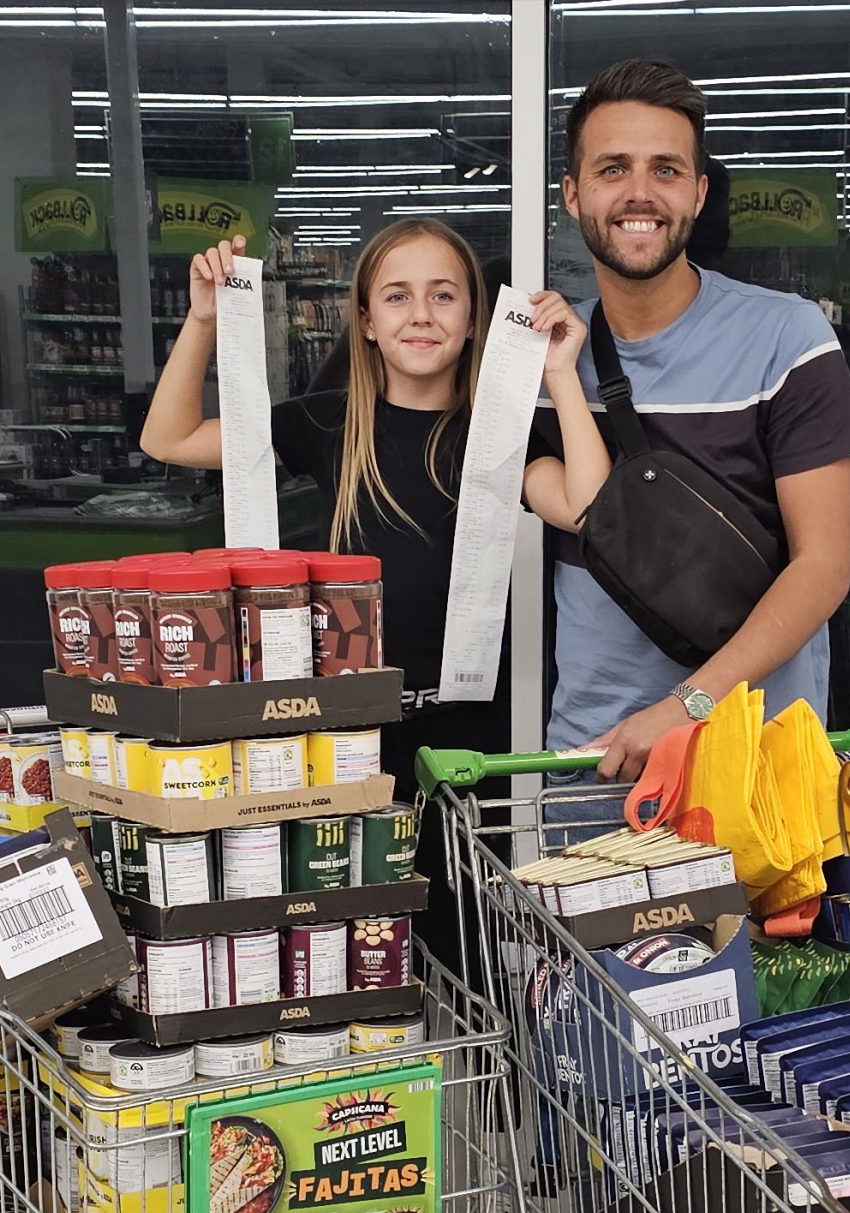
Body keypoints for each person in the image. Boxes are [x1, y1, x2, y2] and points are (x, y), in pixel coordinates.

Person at [141, 222, 587, 955]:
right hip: (349, 731)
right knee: (350, 931)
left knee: (462, 939)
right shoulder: (325, 423)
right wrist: (202, 321)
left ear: (474, 319)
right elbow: (168, 437)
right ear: (368, 323)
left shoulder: (497, 431)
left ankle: (474, 1065)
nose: (421, 314)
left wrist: (560, 375)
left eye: (444, 296)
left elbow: (580, 505)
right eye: (398, 296)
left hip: (468, 734)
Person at [524, 59, 850, 784]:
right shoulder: (543, 358)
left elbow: (823, 566)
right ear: (572, 192)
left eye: (667, 170)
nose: (639, 193)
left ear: (699, 191)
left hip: (756, 765)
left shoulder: (788, 340)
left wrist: (687, 707)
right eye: (612, 168)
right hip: (597, 760)